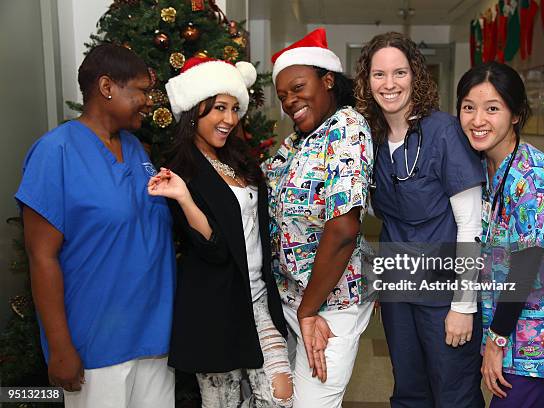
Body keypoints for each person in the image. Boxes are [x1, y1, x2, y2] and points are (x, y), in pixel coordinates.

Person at [16, 44, 175, 407]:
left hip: (153, 338)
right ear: (107, 87)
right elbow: (41, 257)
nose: (148, 102)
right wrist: (60, 348)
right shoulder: (54, 153)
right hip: (97, 348)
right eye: (141, 91)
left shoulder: (137, 150)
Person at [148, 56, 293, 408]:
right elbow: (212, 249)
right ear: (195, 110)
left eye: (233, 109)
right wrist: (183, 196)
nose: (229, 119)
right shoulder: (181, 169)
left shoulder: (237, 160)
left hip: (258, 297)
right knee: (221, 403)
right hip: (214, 307)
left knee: (279, 395)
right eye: (218, 108)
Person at [354, 32, 485, 407]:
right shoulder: (371, 139)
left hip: (445, 293)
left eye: (400, 72)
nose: (389, 83)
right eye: (379, 74)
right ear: (367, 81)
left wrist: (463, 306)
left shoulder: (445, 132)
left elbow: (471, 226)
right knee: (408, 390)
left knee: (454, 393)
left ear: (416, 77)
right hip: (398, 289)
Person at [456, 61, 544, 407]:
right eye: (468, 107)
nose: (477, 120)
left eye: (492, 108)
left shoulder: (535, 177)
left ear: (515, 114)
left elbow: (527, 267)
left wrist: (496, 344)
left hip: (537, 340)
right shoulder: (481, 166)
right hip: (505, 325)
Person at [264, 28, 374, 407]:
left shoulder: (346, 127)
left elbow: (344, 228)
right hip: (295, 299)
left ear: (327, 80)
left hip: (332, 303)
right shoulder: (298, 140)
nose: (290, 101)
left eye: (297, 87)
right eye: (282, 96)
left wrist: (311, 310)